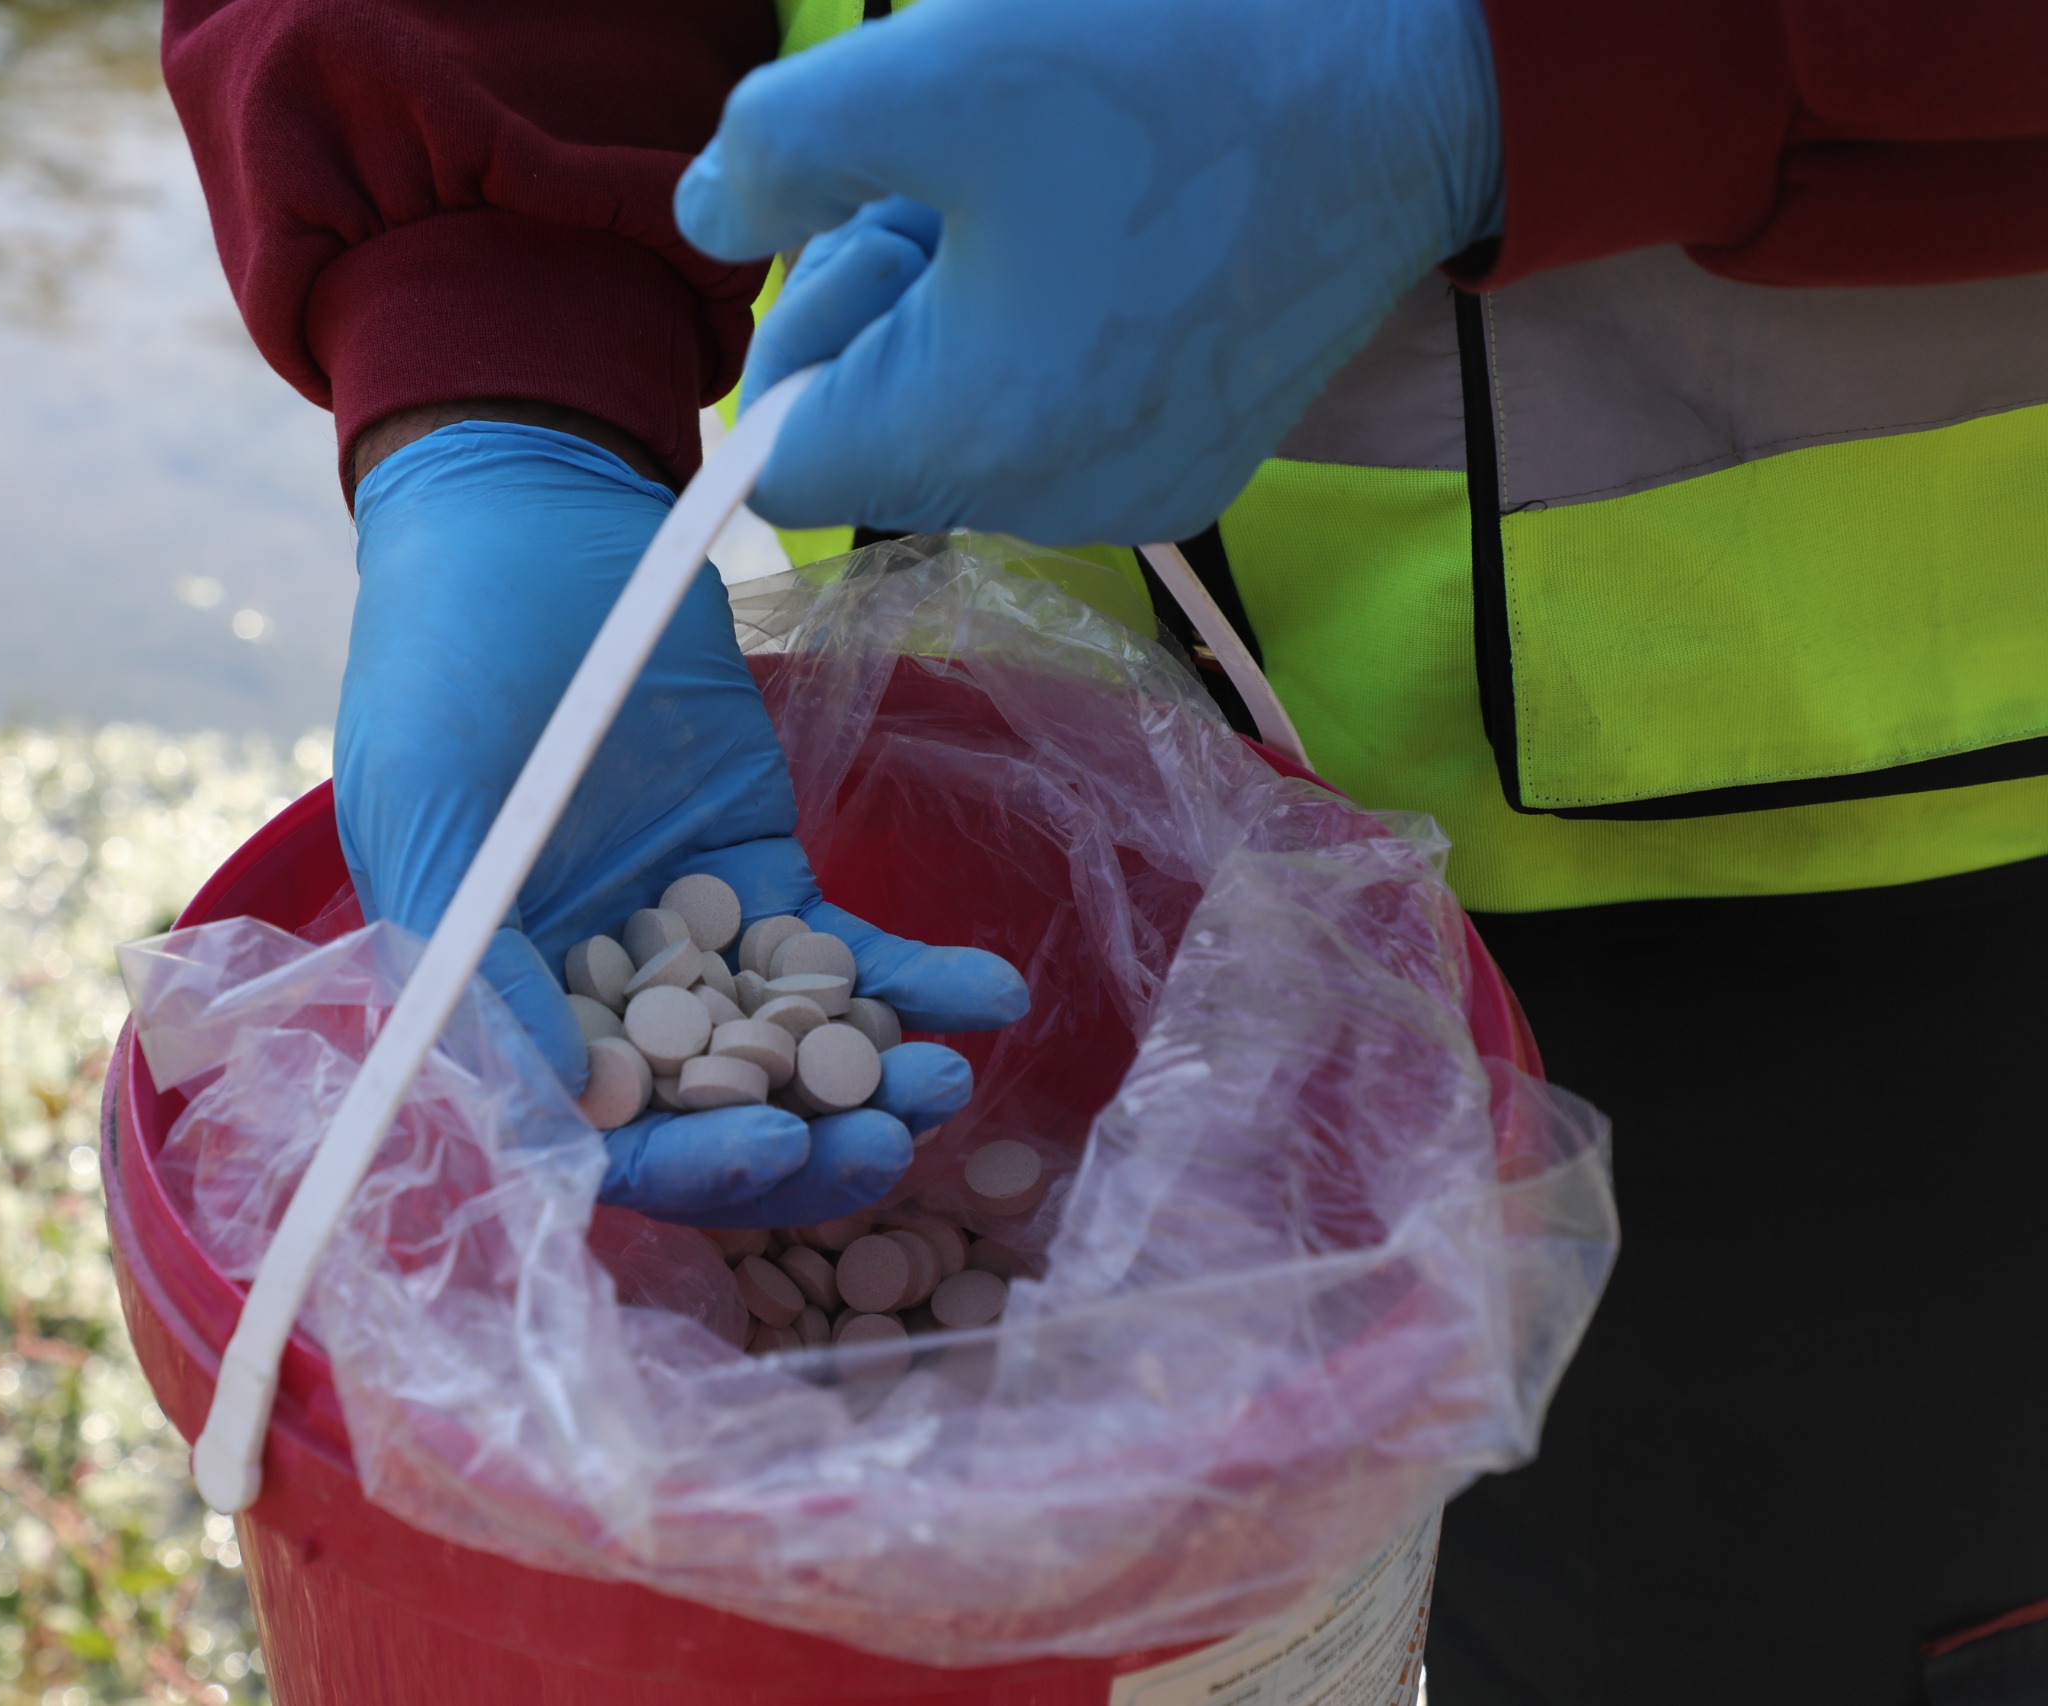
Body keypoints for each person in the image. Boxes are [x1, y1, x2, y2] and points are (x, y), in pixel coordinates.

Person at [157, 0, 2048, 1697]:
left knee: (1746, 1622)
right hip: (1022, 777)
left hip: (1884, 872)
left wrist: (1511, 67)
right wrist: (494, 367)